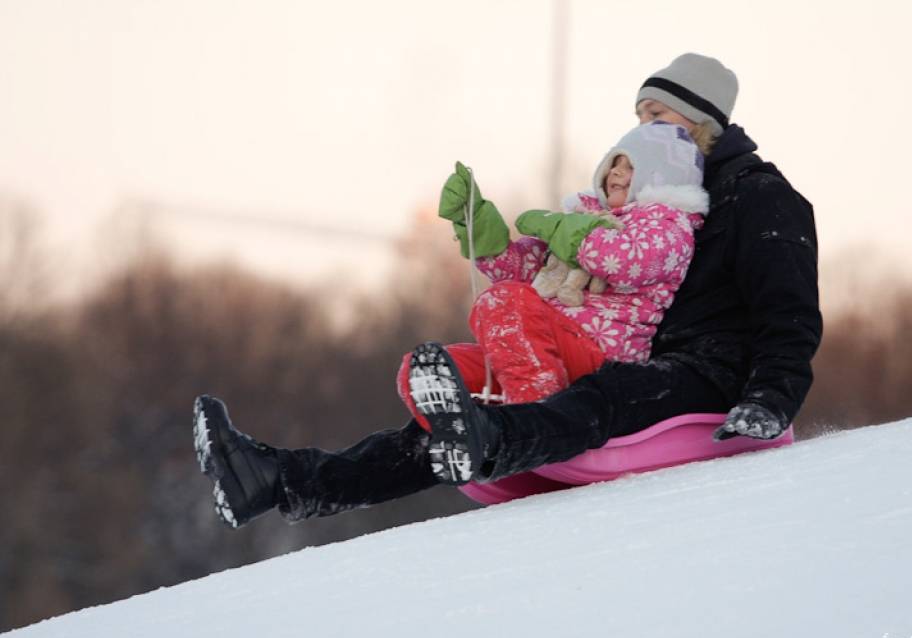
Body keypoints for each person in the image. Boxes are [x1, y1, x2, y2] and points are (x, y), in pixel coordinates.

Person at [193, 52, 822, 528]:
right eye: (638, 118)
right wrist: (492, 240)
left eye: (656, 115)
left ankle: (500, 435)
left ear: (703, 121)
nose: (642, 130)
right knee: (447, 422)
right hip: (631, 356)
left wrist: (771, 398)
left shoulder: (758, 196)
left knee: (599, 394)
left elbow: (788, 310)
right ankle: (281, 479)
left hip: (709, 370)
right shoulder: (637, 200)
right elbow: (560, 269)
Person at [396, 121, 708, 482]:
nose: (616, 173)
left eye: (630, 165)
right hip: (537, 350)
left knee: (502, 303)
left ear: (660, 175)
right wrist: (485, 236)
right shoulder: (585, 216)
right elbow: (524, 270)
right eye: (614, 163)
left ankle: (534, 421)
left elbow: (629, 262)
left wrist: (576, 236)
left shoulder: (668, 225)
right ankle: (467, 435)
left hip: (598, 355)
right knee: (424, 370)